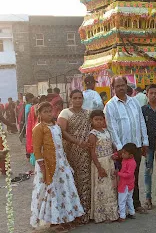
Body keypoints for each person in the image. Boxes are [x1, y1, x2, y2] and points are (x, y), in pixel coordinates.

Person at [30, 102, 84, 231]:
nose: (49, 114)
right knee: (51, 190)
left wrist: (78, 142)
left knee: (64, 188)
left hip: (61, 162)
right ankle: (54, 221)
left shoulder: (56, 126)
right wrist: (42, 167)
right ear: (39, 114)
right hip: (48, 165)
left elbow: (64, 137)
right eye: (45, 112)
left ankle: (66, 217)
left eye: (50, 111)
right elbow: (36, 149)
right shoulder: (39, 128)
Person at [104, 76, 149, 214]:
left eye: (123, 85)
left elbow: (141, 121)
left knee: (133, 176)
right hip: (122, 149)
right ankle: (122, 207)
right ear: (113, 88)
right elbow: (112, 128)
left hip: (135, 146)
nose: (121, 88)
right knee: (122, 178)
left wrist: (145, 142)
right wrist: (119, 149)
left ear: (126, 85)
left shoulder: (134, 102)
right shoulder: (110, 106)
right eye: (117, 86)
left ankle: (136, 204)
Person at [57, 89, 91, 224]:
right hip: (71, 150)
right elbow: (62, 131)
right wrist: (77, 142)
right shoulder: (65, 113)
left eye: (80, 98)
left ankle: (86, 211)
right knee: (72, 180)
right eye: (75, 98)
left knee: (85, 180)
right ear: (70, 99)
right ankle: (74, 213)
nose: (78, 100)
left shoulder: (87, 113)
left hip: (85, 152)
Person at [88, 110, 119, 223]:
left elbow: (112, 146)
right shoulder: (93, 134)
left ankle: (112, 213)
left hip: (110, 161)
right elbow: (92, 153)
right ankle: (102, 214)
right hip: (100, 163)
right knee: (102, 188)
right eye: (96, 120)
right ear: (92, 121)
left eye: (101, 119)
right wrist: (99, 168)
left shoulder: (107, 131)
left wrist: (115, 155)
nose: (99, 122)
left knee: (111, 187)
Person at [117, 143, 137, 222]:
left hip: (125, 184)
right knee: (129, 199)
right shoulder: (126, 159)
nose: (122, 154)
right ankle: (131, 212)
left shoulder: (131, 163)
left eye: (124, 153)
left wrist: (118, 173)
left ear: (131, 155)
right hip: (129, 184)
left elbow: (129, 174)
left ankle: (122, 216)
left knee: (122, 200)